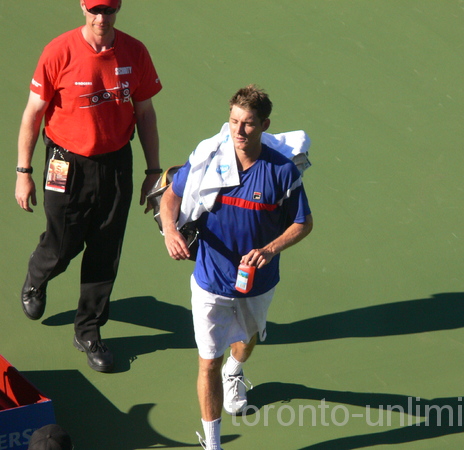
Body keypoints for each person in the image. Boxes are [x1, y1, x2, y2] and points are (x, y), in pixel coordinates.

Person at [160, 85, 313, 449]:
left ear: (264, 125)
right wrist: (169, 231)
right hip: (210, 280)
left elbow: (303, 223)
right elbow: (171, 196)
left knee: (246, 340)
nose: (238, 131)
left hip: (258, 282)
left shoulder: (282, 172)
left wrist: (271, 248)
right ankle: (212, 442)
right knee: (207, 361)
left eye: (247, 124)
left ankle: (236, 369)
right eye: (233, 122)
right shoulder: (210, 161)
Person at [15, 0, 162, 373]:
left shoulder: (135, 52)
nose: (102, 18)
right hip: (65, 162)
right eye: (96, 9)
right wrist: (23, 171)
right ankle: (38, 276)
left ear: (118, 8)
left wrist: (152, 170)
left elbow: (144, 112)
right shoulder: (58, 51)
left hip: (115, 164)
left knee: (105, 248)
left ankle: (88, 329)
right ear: (82, 7)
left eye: (109, 9)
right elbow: (33, 113)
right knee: (63, 242)